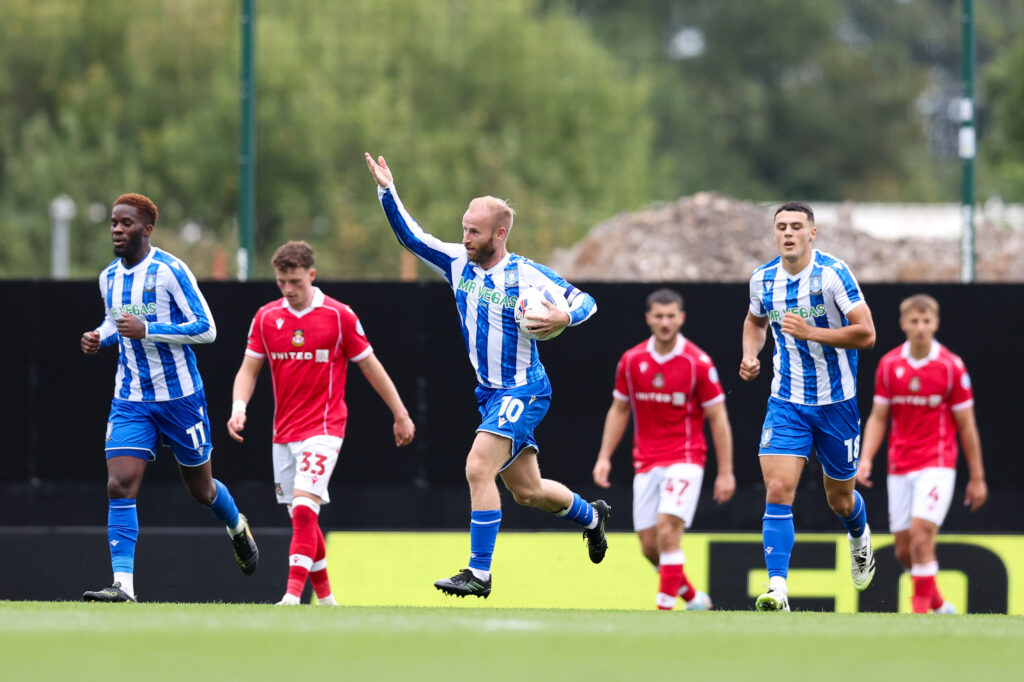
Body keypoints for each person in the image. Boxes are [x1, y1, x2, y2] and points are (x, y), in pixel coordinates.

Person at [365, 152, 609, 599]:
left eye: (473, 231)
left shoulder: (528, 276)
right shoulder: (458, 263)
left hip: (524, 388)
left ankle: (479, 573)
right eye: (463, 228)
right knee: (529, 492)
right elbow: (411, 238)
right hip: (490, 392)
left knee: (478, 466)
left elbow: (587, 303)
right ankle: (592, 518)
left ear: (499, 234)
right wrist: (387, 190)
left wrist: (562, 316)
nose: (465, 237)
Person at [80, 193, 258, 603]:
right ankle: (123, 586)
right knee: (119, 484)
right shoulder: (109, 277)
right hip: (130, 398)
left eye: (126, 224)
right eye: (113, 223)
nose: (117, 230)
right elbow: (114, 321)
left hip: (180, 398)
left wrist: (150, 329)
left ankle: (236, 526)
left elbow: (207, 328)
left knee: (201, 489)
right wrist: (99, 337)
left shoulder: (170, 271)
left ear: (146, 228)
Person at [227, 241, 416, 605]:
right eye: (281, 281)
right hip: (282, 434)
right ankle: (327, 601)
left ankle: (292, 597)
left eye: (295, 281)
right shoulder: (266, 317)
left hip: (325, 429)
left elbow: (370, 366)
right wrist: (239, 407)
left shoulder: (338, 316)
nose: (288, 289)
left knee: (302, 510)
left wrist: (400, 413)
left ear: (311, 275)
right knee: (305, 519)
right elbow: (248, 370)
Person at [738, 201, 877, 612]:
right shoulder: (763, 279)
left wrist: (812, 331)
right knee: (778, 489)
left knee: (841, 500)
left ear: (812, 233)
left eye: (797, 226)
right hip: (787, 401)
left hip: (837, 403)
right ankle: (778, 588)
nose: (788, 233)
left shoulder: (832, 274)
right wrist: (750, 355)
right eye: (781, 226)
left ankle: (858, 535)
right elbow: (754, 321)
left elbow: (867, 334)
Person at [592, 288, 735, 610]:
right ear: (648, 318)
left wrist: (725, 472)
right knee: (649, 546)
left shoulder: (697, 362)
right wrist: (604, 457)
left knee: (669, 531)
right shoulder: (632, 361)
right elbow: (619, 410)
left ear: (681, 318)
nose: (665, 322)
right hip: (646, 461)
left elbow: (718, 418)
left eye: (671, 316)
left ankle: (663, 611)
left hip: (686, 458)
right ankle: (695, 599)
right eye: (659, 316)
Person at [856, 294, 987, 614]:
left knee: (919, 537)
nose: (920, 327)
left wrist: (978, 477)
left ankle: (918, 617)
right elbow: (879, 416)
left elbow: (967, 425)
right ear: (903, 324)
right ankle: (939, 604)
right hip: (900, 465)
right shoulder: (890, 365)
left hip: (937, 463)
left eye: (926, 321)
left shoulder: (950, 367)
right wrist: (867, 457)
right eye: (914, 321)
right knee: (904, 550)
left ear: (936, 324)